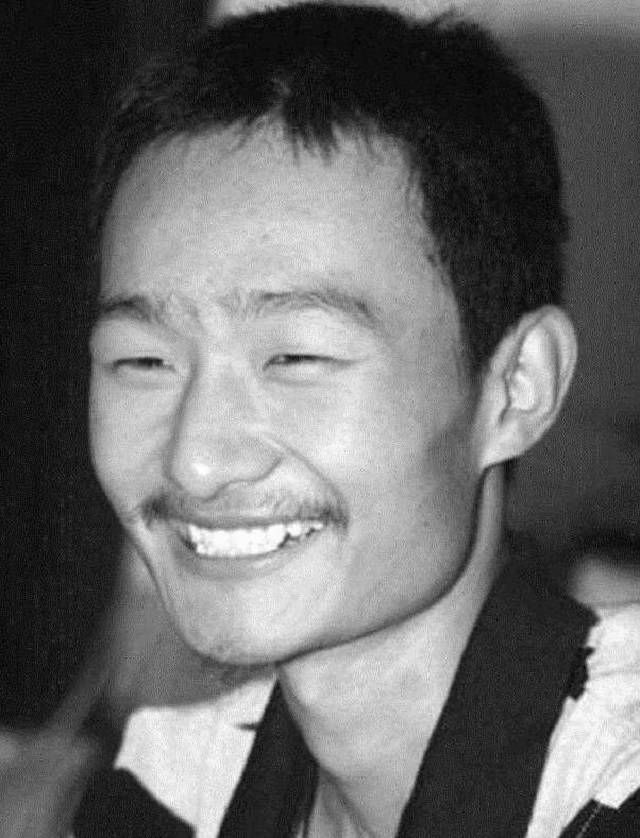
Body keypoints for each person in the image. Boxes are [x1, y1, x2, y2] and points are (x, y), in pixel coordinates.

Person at [72, 4, 640, 836]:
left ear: (517, 387)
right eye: (144, 362)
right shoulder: (171, 792)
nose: (196, 460)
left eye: (295, 357)